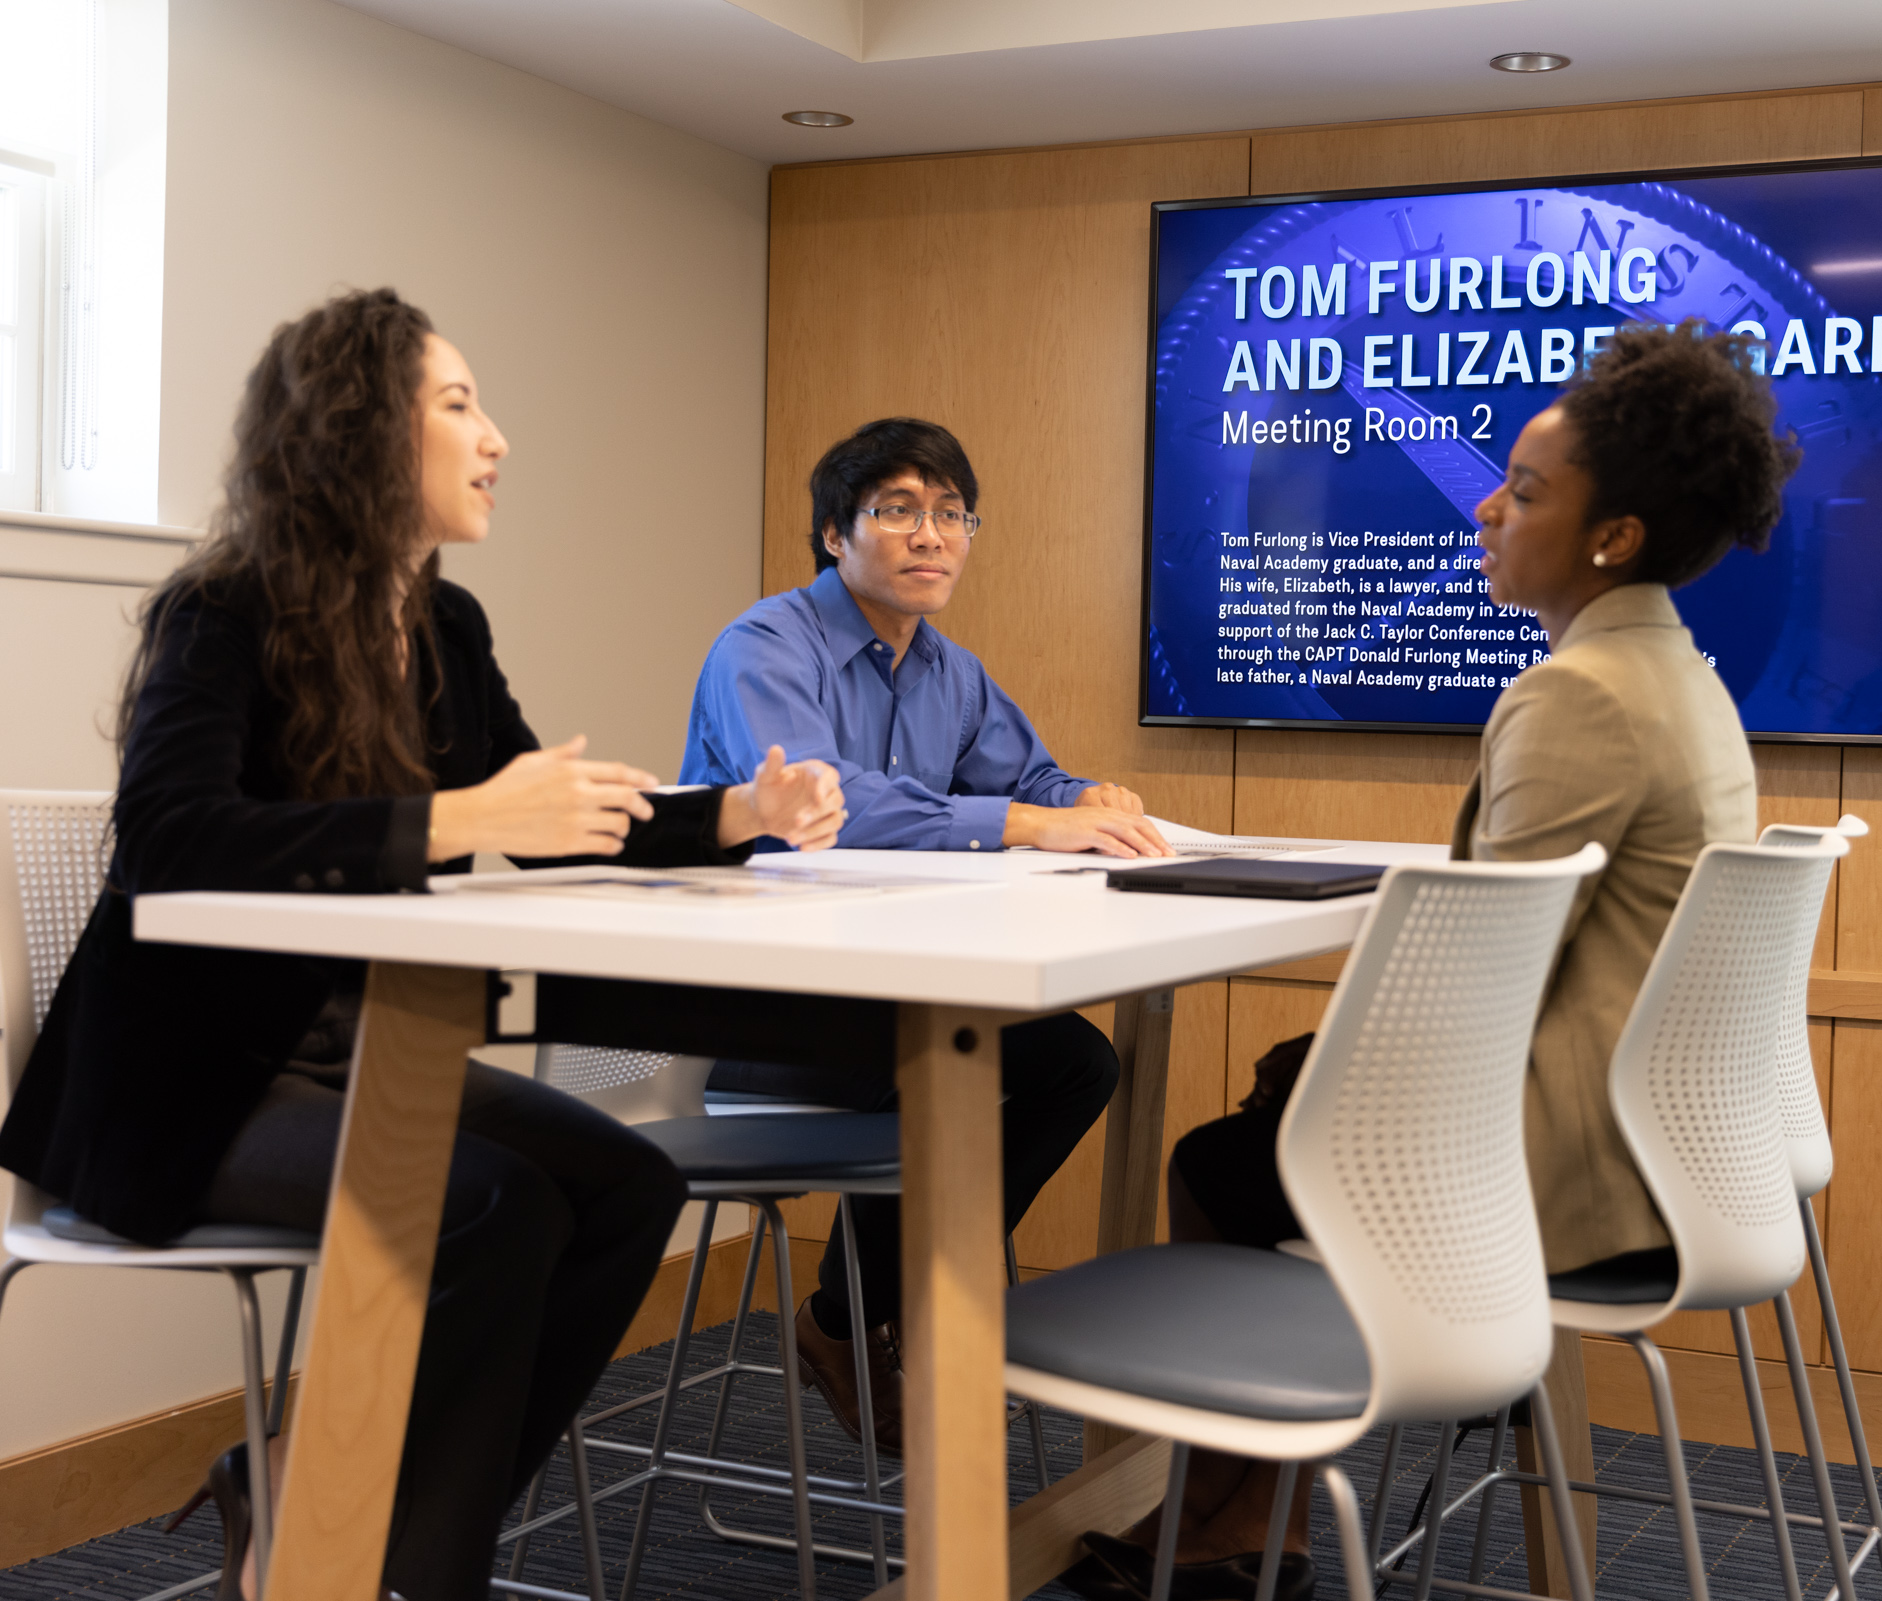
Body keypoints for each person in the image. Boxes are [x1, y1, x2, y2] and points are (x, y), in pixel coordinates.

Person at [0, 289, 846, 1601]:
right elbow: (171, 835)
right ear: (353, 432)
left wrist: (736, 815)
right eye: (459, 405)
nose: (497, 437)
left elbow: (548, 813)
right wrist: (458, 817)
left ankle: (305, 1498)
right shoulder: (222, 608)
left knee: (630, 1187)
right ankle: (398, 1563)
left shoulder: (443, 627)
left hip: (363, 1054)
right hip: (188, 1082)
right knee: (492, 1210)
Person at [1072, 321, 1802, 1600]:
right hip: (1667, 1142)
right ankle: (1250, 1512)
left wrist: (1323, 1069)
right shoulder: (1675, 671)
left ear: (1610, 535)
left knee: (1226, 1159)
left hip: (1567, 1171)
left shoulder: (1579, 694)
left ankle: (1245, 1513)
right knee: (1280, 1101)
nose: (1481, 502)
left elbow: (1477, 984)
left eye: (1523, 490)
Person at [679, 416, 1158, 1450]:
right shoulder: (762, 645)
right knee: (948, 1068)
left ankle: (847, 1316)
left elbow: (1028, 780)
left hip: (885, 1000)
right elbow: (823, 796)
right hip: (762, 1015)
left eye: (951, 514)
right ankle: (903, 1312)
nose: (929, 535)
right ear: (832, 534)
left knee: (1073, 1060)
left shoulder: (950, 669)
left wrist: (1087, 795)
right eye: (897, 510)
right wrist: (1031, 821)